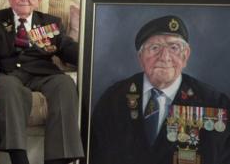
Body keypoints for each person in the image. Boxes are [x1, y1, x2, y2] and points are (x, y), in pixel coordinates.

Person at [0, 0, 84, 164]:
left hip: (44, 73)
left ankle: (59, 160)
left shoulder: (50, 22)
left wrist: (90, 53)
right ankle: (19, 159)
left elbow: (66, 47)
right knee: (6, 87)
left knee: (65, 83)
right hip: (11, 74)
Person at [91, 15, 230, 164]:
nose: (164, 57)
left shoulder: (214, 103)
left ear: (186, 55)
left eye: (174, 48)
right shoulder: (113, 98)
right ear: (140, 57)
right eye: (155, 48)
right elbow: (95, 155)